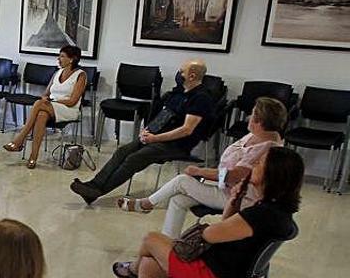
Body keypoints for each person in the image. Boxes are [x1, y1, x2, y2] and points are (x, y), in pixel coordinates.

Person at [96, 147, 303, 278]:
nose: (253, 166)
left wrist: (214, 225)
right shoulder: (280, 213)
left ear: (273, 175)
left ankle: (132, 269)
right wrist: (233, 201)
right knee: (149, 266)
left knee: (150, 239)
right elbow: (225, 230)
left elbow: (210, 235)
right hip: (231, 275)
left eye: (259, 164)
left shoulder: (260, 216)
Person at [116, 97, 287, 236]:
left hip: (238, 198)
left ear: (260, 121)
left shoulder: (266, 147)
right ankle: (169, 244)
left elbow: (234, 175)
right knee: (178, 199)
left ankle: (145, 204)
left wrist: (199, 171)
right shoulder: (255, 135)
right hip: (226, 188)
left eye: (253, 115)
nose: (249, 117)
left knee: (182, 180)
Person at [71, 59, 216, 205]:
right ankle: (93, 186)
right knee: (122, 151)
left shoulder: (201, 98)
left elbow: (186, 130)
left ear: (192, 76)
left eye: (182, 71)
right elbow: (163, 115)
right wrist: (147, 132)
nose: (179, 74)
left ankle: (97, 191)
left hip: (176, 144)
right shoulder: (179, 92)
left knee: (134, 158)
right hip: (156, 136)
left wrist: (155, 138)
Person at [1, 45, 86, 168]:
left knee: (39, 104)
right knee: (41, 114)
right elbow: (45, 94)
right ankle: (33, 157)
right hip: (51, 107)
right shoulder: (57, 73)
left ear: (72, 59)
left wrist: (53, 102)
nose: (58, 59)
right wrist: (47, 99)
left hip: (68, 109)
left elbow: (73, 101)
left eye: (62, 56)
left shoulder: (81, 75)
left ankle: (19, 140)